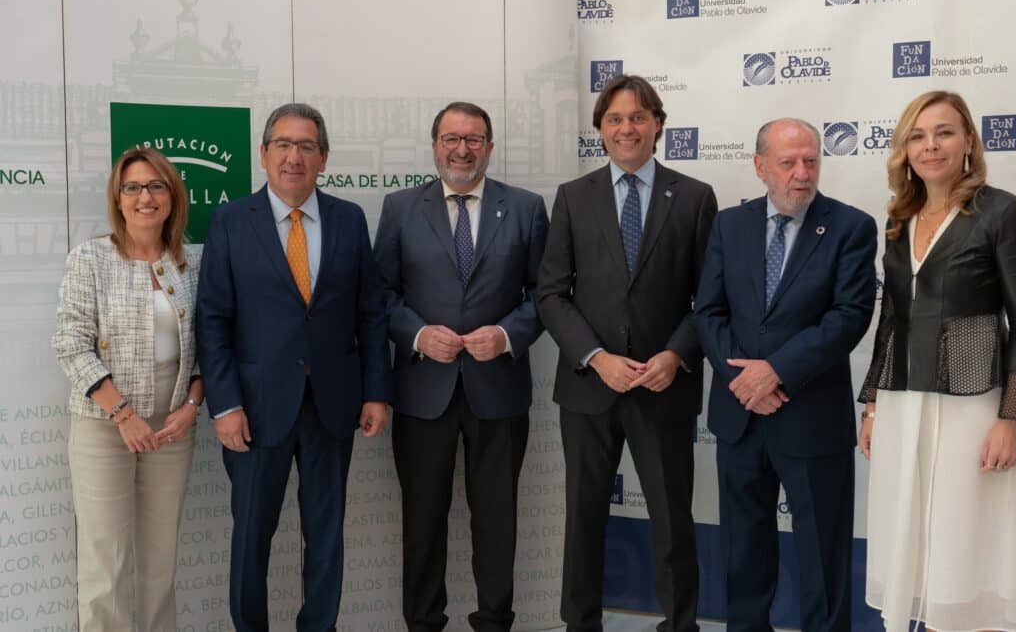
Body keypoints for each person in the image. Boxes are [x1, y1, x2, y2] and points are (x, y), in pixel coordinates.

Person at [858, 90, 1016, 632]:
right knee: (910, 544)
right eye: (917, 136)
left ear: (968, 140)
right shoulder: (901, 216)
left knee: (964, 545)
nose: (931, 145)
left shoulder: (1003, 212)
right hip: (902, 403)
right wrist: (872, 404)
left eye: (944, 132)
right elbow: (891, 318)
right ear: (904, 149)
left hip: (973, 407)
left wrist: (1011, 419)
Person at [196, 103, 393, 632]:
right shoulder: (232, 221)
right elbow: (212, 320)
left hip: (333, 405)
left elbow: (370, 313)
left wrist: (376, 391)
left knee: (326, 533)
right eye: (282, 145)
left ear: (323, 158)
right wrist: (226, 404)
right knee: (251, 536)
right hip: (255, 411)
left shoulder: (350, 218)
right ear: (263, 155)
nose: (293, 157)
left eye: (306, 147)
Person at [537, 74, 716, 632]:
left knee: (671, 521)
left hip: (664, 386)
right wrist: (596, 356)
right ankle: (580, 623)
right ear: (600, 130)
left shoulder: (693, 197)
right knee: (584, 518)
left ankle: (679, 624)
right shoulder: (573, 196)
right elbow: (550, 294)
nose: (626, 128)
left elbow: (709, 299)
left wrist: (675, 356)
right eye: (614, 119)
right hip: (591, 388)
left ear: (658, 124)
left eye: (638, 116)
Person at [694, 118, 877, 632]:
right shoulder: (729, 226)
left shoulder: (851, 226)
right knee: (743, 553)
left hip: (811, 418)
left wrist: (775, 373)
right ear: (759, 166)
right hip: (740, 417)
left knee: (823, 556)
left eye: (811, 161)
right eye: (788, 162)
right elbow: (707, 311)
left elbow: (849, 317)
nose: (802, 173)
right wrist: (744, 382)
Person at [373, 101, 549, 632]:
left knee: (496, 520)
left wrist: (505, 335)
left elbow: (546, 294)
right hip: (423, 391)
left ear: (489, 149)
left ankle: (494, 621)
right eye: (451, 138)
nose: (462, 149)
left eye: (473, 139)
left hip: (497, 390)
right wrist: (420, 335)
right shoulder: (401, 208)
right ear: (435, 146)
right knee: (423, 522)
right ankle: (424, 623)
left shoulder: (525, 207)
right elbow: (380, 294)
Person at [53, 147, 202, 631]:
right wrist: (123, 414)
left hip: (170, 433)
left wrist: (193, 404)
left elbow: (206, 347)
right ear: (117, 199)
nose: (145, 197)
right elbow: (71, 343)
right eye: (133, 187)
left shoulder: (187, 265)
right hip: (104, 427)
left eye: (156, 186)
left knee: (160, 565)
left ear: (172, 196)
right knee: (106, 566)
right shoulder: (92, 258)